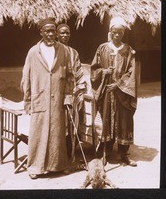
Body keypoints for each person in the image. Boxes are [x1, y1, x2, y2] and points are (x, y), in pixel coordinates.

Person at [21, 18, 74, 179]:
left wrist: (68, 97)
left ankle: (59, 165)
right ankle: (35, 168)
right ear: (41, 33)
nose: (51, 34)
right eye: (47, 31)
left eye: (53, 31)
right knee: (38, 133)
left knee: (58, 133)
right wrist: (28, 100)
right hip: (40, 99)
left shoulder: (64, 51)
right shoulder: (33, 52)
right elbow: (26, 77)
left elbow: (70, 76)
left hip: (57, 98)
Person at [90, 16, 137, 166]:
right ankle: (106, 151)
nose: (117, 35)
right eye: (115, 32)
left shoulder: (128, 50)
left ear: (124, 33)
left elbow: (132, 71)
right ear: (110, 31)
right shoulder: (102, 48)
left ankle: (124, 153)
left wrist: (118, 84)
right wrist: (104, 72)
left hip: (122, 93)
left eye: (120, 33)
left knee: (124, 121)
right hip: (106, 92)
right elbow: (94, 69)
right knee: (106, 120)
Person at [57, 24, 87, 157]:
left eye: (67, 33)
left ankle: (70, 152)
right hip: (57, 93)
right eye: (62, 33)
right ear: (57, 34)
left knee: (72, 122)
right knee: (58, 123)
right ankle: (57, 152)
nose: (65, 36)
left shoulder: (73, 52)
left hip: (72, 92)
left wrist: (79, 87)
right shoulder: (53, 50)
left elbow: (79, 72)